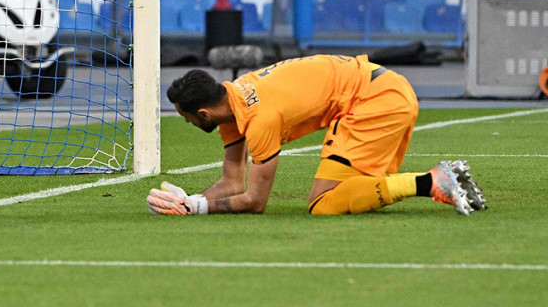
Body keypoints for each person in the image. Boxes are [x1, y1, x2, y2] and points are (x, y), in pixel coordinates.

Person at [148, 55, 488, 217]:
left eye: (185, 116)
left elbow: (255, 201)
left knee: (323, 204)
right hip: (385, 89)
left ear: (202, 113)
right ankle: (450, 180)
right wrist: (190, 200)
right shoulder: (234, 99)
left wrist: (199, 209)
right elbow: (233, 183)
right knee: (356, 192)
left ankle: (433, 182)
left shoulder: (258, 117)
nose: (187, 122)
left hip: (373, 101)